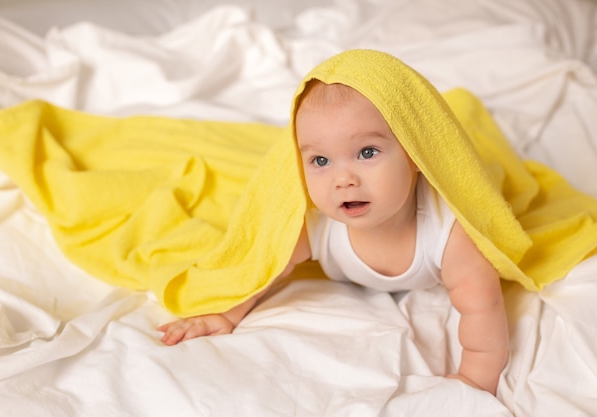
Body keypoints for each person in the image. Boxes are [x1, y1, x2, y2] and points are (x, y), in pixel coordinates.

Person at [158, 58, 509, 396]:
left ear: (414, 153)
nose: (343, 179)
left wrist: (475, 379)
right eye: (320, 160)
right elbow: (262, 266)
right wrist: (225, 312)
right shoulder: (313, 224)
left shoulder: (450, 234)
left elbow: (483, 308)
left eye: (367, 152)